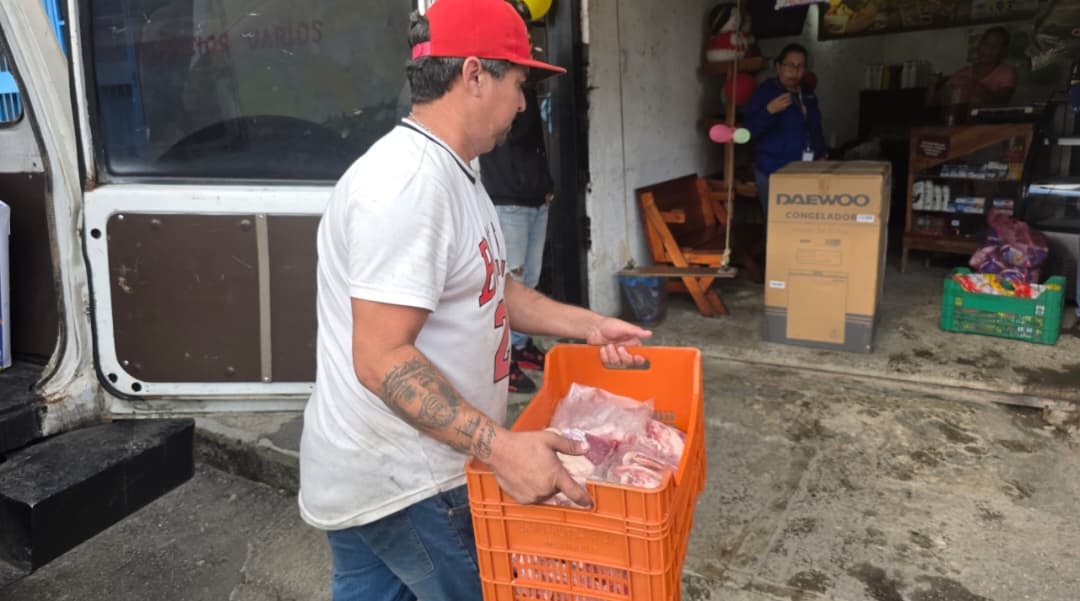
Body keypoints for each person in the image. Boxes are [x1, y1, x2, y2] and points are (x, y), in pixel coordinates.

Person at [297, 1, 652, 600]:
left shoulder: (456, 168)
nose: (522, 102)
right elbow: (381, 357)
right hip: (410, 482)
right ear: (473, 75)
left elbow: (494, 289)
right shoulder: (408, 187)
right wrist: (502, 448)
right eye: (519, 82)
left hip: (385, 472)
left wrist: (588, 326)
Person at [479, 83, 553, 394]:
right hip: (509, 199)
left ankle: (521, 348)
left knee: (529, 279)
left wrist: (547, 185)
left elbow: (537, 142)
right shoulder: (495, 93)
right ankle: (503, 359)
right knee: (509, 284)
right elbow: (511, 136)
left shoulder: (524, 90)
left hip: (536, 197)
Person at [744, 43, 826, 220]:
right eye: (790, 65)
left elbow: (815, 127)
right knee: (776, 223)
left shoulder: (808, 95)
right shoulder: (765, 93)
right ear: (778, 67)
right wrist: (769, 111)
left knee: (801, 222)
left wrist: (821, 153)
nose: (795, 71)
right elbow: (749, 131)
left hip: (804, 171)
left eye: (800, 66)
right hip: (773, 170)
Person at [927, 26, 1016, 109]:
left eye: (994, 46)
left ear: (1003, 51)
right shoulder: (963, 73)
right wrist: (932, 85)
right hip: (959, 123)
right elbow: (932, 104)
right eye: (985, 44)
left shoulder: (1006, 73)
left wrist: (973, 86)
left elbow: (1002, 102)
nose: (987, 50)